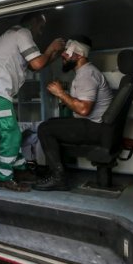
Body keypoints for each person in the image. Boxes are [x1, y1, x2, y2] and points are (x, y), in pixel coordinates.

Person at [0, 14, 65, 192]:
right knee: (12, 135)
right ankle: (3, 178)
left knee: (8, 134)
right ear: (34, 22)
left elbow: (33, 64)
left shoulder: (12, 35)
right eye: (41, 27)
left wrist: (52, 54)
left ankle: (20, 170)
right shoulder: (23, 33)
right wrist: (50, 47)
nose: (40, 32)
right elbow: (37, 64)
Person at [35, 36, 114, 191]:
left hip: (95, 128)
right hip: (99, 127)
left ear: (79, 55)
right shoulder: (85, 72)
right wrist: (63, 96)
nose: (63, 55)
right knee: (51, 123)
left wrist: (61, 94)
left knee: (45, 128)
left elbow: (84, 109)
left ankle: (59, 177)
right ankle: (57, 170)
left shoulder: (87, 75)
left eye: (67, 52)